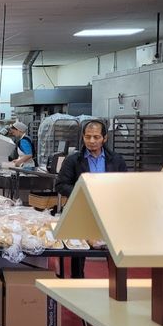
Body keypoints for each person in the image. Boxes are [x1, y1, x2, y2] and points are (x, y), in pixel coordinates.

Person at [55, 119, 127, 277]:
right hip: (81, 211)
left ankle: (117, 286)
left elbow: (124, 186)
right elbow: (61, 184)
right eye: (88, 137)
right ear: (83, 137)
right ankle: (77, 284)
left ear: (104, 138)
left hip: (108, 213)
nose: (91, 141)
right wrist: (83, 193)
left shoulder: (116, 160)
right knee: (79, 252)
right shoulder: (73, 160)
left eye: (96, 137)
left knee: (113, 251)